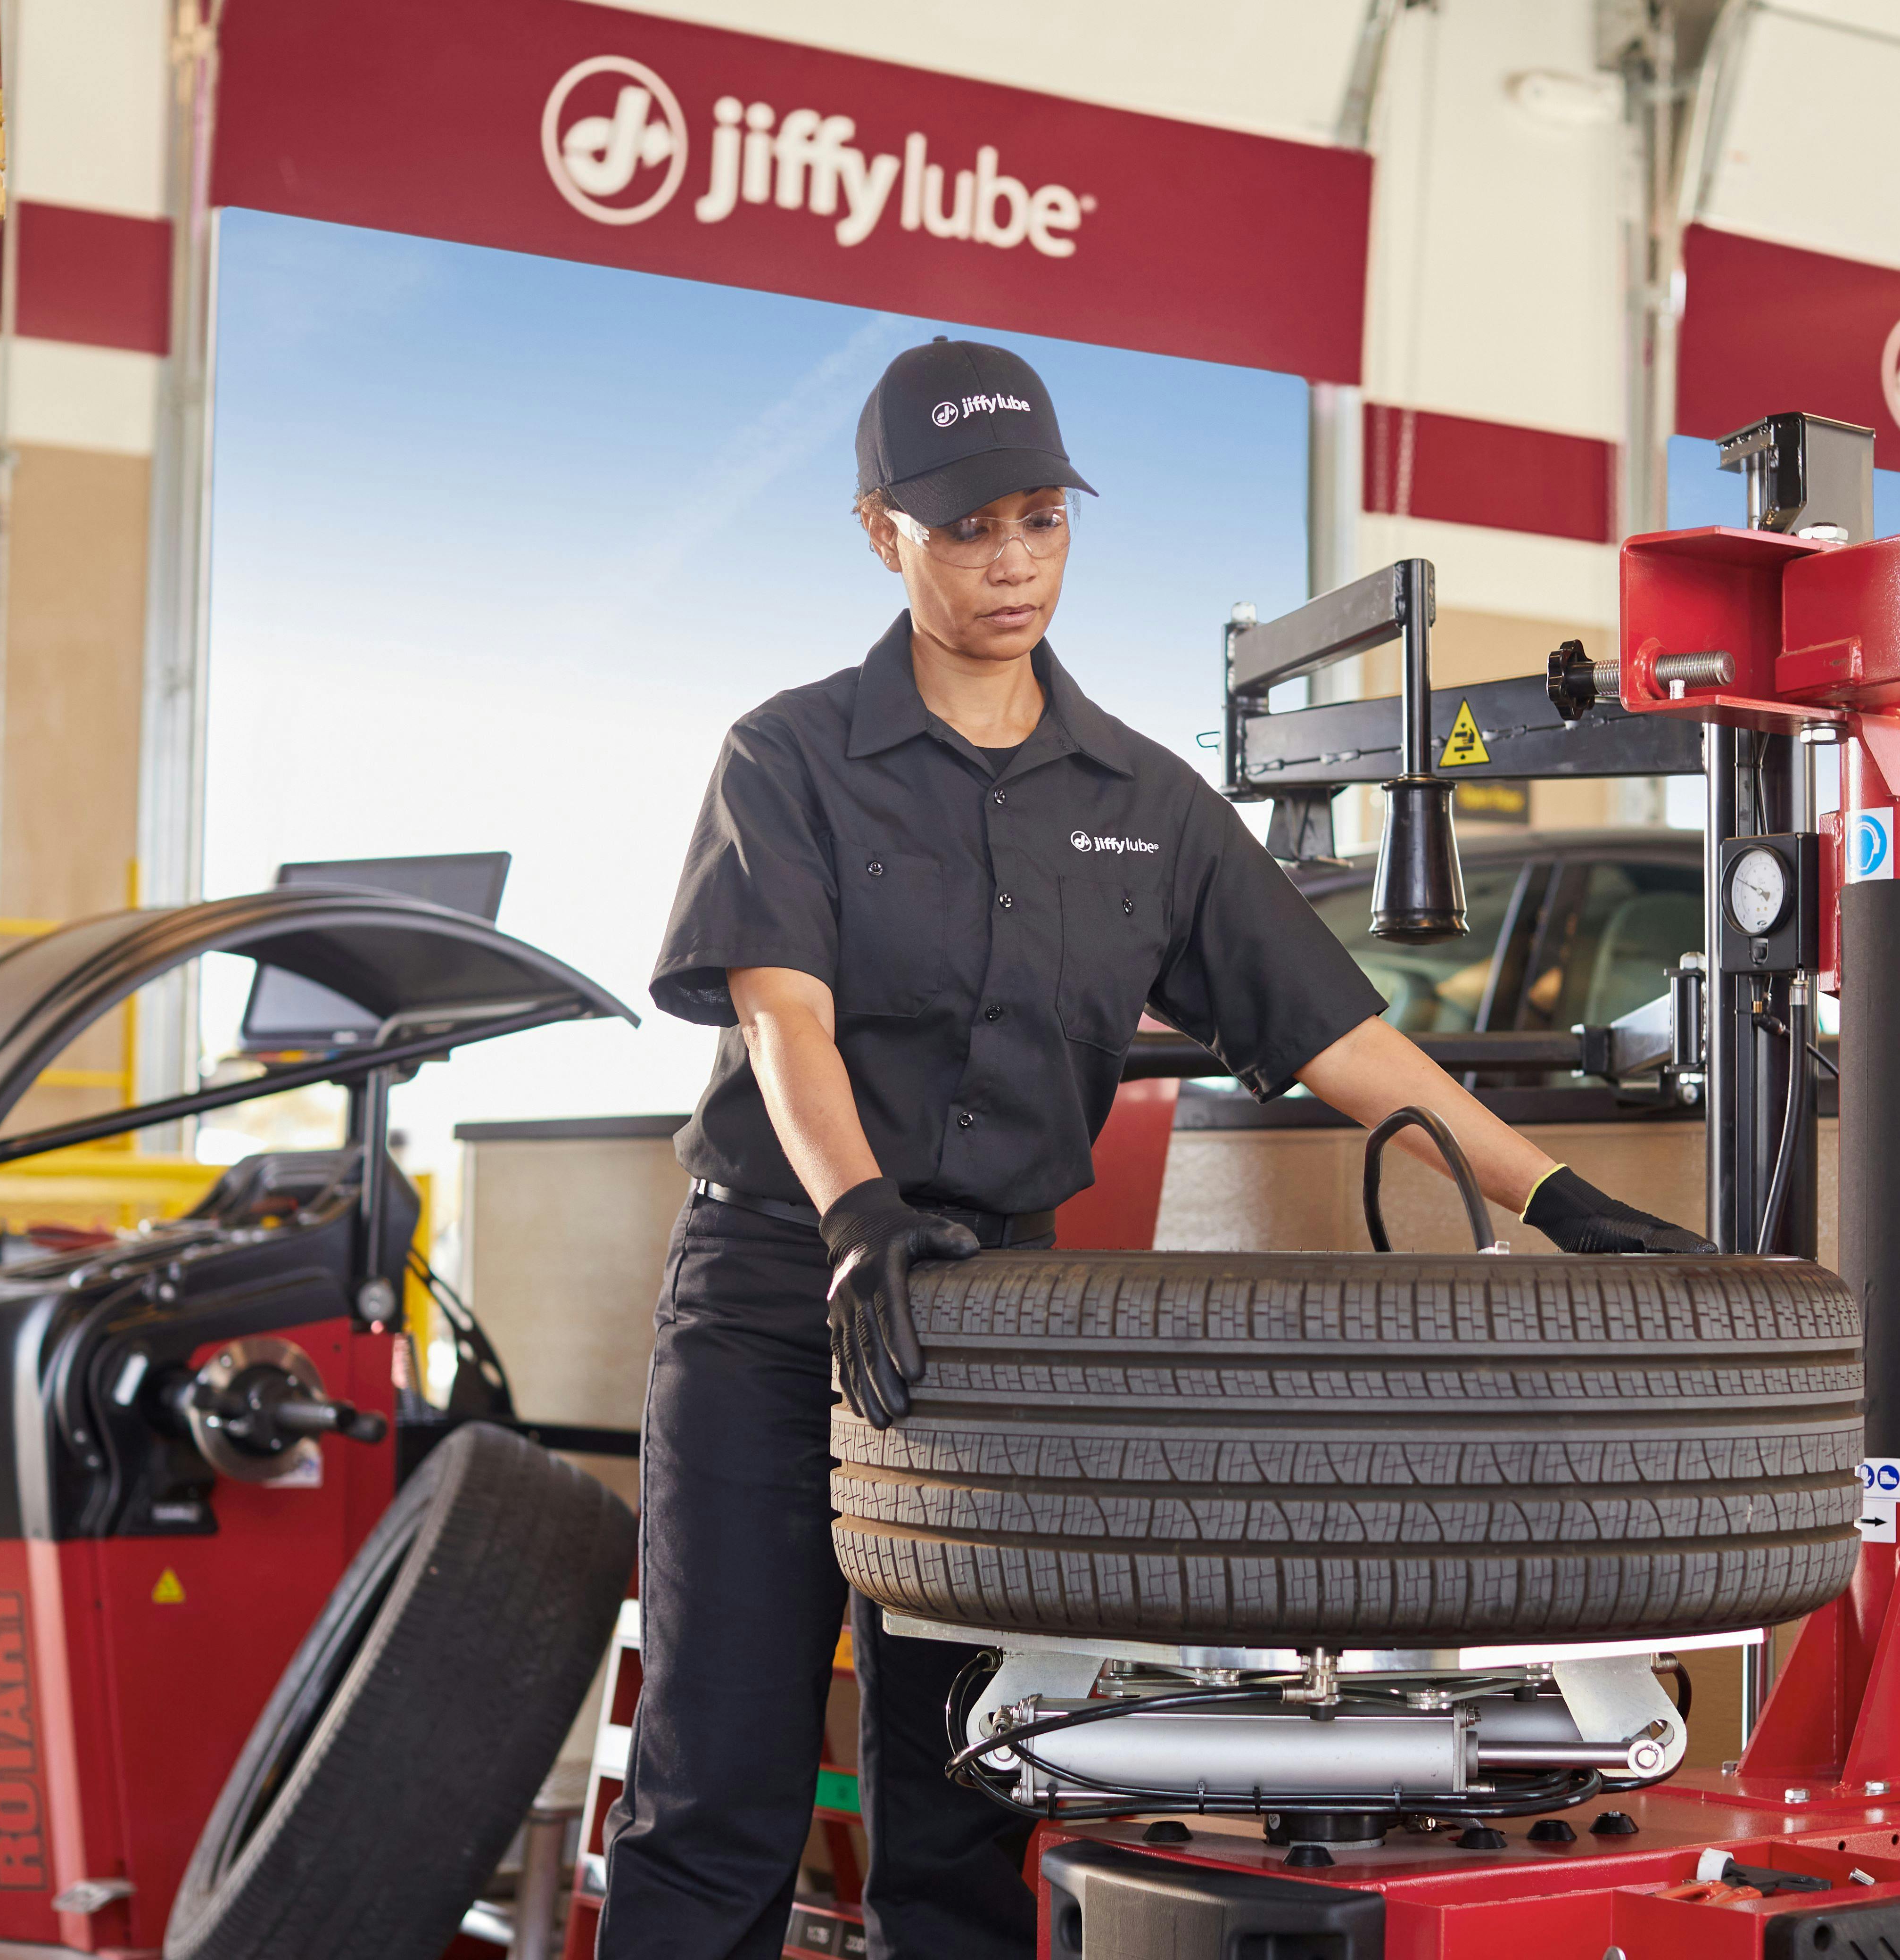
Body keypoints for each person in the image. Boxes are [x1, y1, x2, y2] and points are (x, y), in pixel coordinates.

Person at [599, 338, 1706, 1960]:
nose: (1011, 561)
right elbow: (787, 1018)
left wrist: (1558, 1197)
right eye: (969, 527)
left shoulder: (1145, 800)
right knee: (722, 1787)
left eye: (1041, 519)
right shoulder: (791, 756)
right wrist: (856, 1219)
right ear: (879, 533)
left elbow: (1346, 1040)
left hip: (997, 1333)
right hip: (787, 1291)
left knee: (971, 1783)